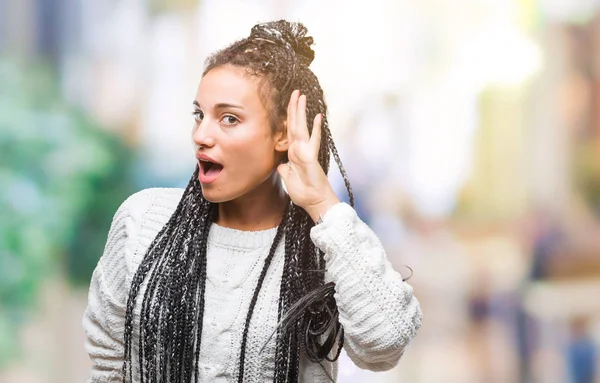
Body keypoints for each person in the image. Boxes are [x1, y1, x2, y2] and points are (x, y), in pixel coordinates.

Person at [82, 20, 422, 383]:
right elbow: (107, 360)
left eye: (229, 118)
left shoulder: (324, 246)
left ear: (283, 134)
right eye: (199, 114)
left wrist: (323, 203)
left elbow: (385, 345)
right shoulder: (143, 221)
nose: (201, 134)